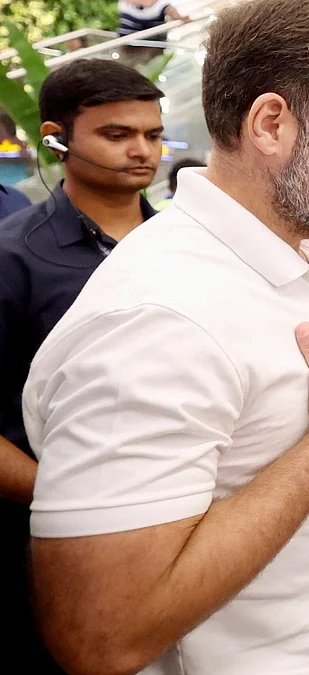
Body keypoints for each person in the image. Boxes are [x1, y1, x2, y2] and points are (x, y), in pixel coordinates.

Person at [21, 2, 309, 673]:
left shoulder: (307, 257)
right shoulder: (159, 316)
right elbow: (101, 634)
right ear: (270, 124)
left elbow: (259, 461)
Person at [0, 58, 164, 675]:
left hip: (177, 525)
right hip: (48, 542)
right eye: (117, 136)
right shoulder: (16, 258)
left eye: (152, 134)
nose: (141, 151)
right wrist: (73, 498)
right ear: (55, 137)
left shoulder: (188, 247)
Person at [117, 0, 185, 36]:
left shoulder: (163, 4)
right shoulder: (126, 4)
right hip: (125, 43)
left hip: (152, 46)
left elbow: (178, 17)